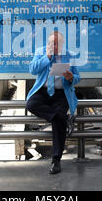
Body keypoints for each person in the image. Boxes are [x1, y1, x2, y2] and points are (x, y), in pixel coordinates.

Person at [26, 31, 80, 174]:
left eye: (56, 43)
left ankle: (56, 160)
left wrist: (70, 77)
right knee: (31, 104)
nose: (52, 45)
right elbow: (32, 69)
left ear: (62, 44)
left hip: (61, 94)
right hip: (43, 91)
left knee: (58, 122)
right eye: (50, 42)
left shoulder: (69, 55)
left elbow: (77, 77)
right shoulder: (40, 52)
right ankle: (61, 117)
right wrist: (47, 57)